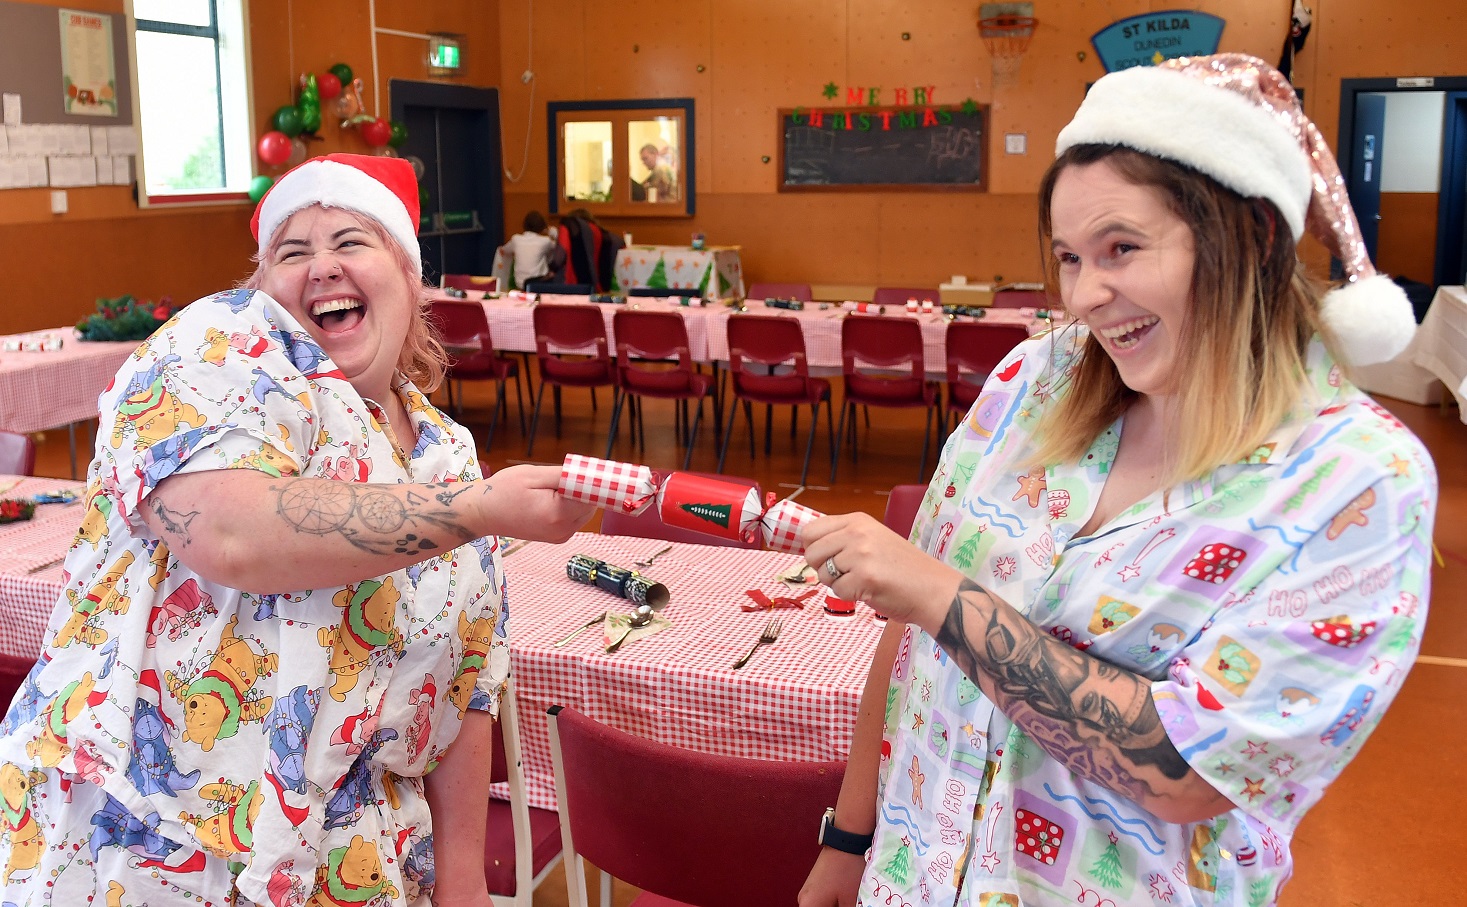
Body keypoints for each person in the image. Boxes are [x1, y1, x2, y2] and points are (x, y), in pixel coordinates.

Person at [799, 54, 1433, 906]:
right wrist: (849, 835)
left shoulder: (1356, 480)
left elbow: (1186, 771)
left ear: (1251, 236)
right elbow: (908, 630)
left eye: (1121, 249)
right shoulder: (1034, 383)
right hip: (910, 875)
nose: (1086, 295)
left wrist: (945, 597)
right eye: (1068, 257)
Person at [0, 153, 594, 905]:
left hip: (344, 862)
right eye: (291, 251)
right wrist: (473, 512)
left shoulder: (448, 454)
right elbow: (232, 534)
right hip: (147, 842)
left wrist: (464, 878)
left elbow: (466, 682)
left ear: (409, 280)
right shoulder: (212, 352)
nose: (321, 266)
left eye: (350, 242)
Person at [500, 209, 556, 290]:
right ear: (542, 226)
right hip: (538, 283)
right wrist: (551, 231)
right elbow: (558, 247)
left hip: (519, 284)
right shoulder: (545, 241)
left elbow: (503, 250)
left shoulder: (516, 239)